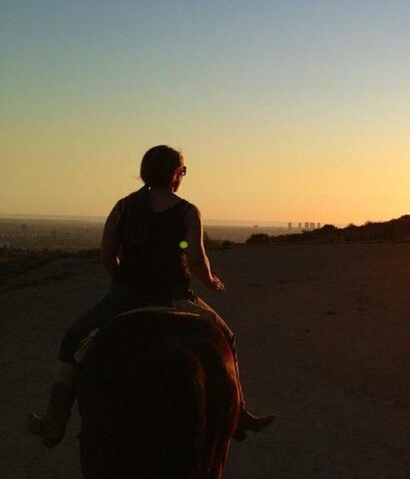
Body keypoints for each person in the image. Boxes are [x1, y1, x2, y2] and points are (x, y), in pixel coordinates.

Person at [27, 145, 274, 447]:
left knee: (72, 339)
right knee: (227, 337)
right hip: (175, 296)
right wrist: (210, 282)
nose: (183, 175)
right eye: (183, 170)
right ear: (175, 173)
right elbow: (196, 258)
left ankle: (54, 423)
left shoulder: (123, 207)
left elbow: (107, 255)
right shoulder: (187, 210)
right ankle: (240, 414)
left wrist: (122, 281)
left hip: (126, 295)